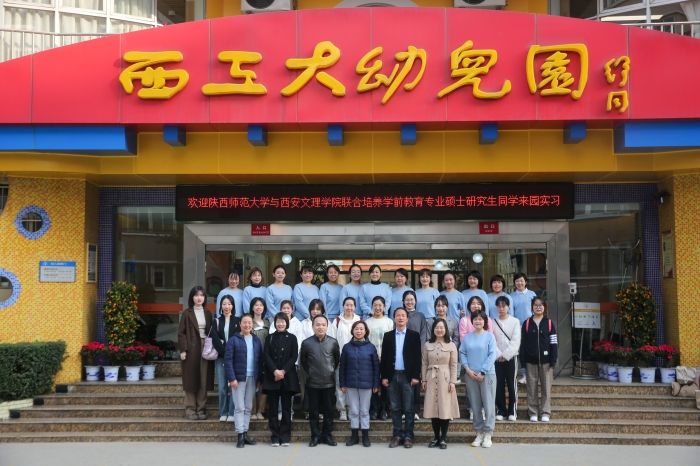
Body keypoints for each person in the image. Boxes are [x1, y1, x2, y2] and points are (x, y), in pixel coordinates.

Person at [380, 307, 422, 449]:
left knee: (409, 408)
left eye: (403, 315)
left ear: (407, 319)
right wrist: (384, 376)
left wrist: (416, 376)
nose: (400, 318)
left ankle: (408, 436)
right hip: (392, 376)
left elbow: (417, 357)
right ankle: (397, 435)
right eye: (398, 315)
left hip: (408, 377)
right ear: (394, 318)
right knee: (396, 408)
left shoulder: (414, 336)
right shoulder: (388, 336)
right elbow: (384, 357)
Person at [459, 309, 499, 449]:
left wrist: (482, 371)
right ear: (472, 321)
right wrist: (467, 369)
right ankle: (479, 433)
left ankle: (488, 433)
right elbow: (462, 353)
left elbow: (492, 355)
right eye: (475, 319)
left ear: (485, 321)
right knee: (475, 405)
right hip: (471, 375)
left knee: (488, 405)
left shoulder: (490, 337)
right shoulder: (467, 338)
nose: (478, 321)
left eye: (480, 319)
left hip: (487, 375)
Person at [300, 315, 341, 447]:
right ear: (313, 326)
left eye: (323, 324)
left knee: (329, 411)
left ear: (327, 327)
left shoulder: (333, 342)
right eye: (317, 324)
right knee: (314, 412)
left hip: (329, 383)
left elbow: (336, 360)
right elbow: (304, 362)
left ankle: (327, 436)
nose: (320, 327)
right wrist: (312, 373)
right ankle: (315, 436)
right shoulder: (306, 343)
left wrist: (330, 371)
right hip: (313, 383)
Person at [225, 314, 264, 448]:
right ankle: (240, 435)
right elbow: (228, 361)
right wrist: (232, 378)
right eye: (245, 322)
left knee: (248, 407)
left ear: (252, 324)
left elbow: (260, 360)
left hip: (253, 377)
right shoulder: (233, 340)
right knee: (239, 407)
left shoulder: (256, 340)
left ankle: (245, 433)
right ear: (240, 324)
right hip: (239, 378)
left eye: (249, 322)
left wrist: (259, 378)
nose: (247, 325)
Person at [263, 313, 301, 447]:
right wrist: (275, 371)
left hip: (287, 376)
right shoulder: (269, 338)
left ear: (287, 323)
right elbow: (266, 355)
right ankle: (275, 436)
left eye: (283, 321)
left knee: (286, 409)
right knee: (273, 409)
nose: (280, 324)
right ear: (275, 323)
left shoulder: (292, 338)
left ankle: (285, 436)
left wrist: (283, 371)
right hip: (272, 376)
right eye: (278, 321)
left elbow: (294, 356)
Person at [339, 321, 379, 447]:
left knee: (364, 411)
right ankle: (354, 437)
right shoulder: (346, 347)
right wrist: (342, 384)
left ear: (366, 331)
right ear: (352, 331)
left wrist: (375, 384)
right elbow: (342, 367)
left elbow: (376, 367)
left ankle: (365, 437)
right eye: (356, 329)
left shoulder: (371, 347)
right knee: (354, 411)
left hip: (367, 384)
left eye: (361, 329)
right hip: (351, 384)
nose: (359, 331)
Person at [422, 318, 460, 449]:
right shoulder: (427, 344)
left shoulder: (451, 345)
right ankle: (436, 437)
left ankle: (443, 438)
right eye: (437, 327)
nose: (439, 330)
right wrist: (424, 379)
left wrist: (452, 381)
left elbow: (454, 365)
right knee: (433, 408)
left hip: (445, 378)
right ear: (433, 329)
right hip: (431, 377)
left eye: (442, 328)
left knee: (444, 408)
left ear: (446, 330)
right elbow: (424, 363)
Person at [178, 286, 215, 420]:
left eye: (201, 295)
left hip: (206, 346)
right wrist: (183, 350)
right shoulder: (187, 313)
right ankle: (190, 409)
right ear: (192, 297)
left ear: (205, 298)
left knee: (203, 378)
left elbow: (212, 331)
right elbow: (181, 333)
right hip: (191, 347)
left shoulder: (208, 313)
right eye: (196, 295)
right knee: (191, 378)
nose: (199, 298)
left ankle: (201, 409)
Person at [521, 297, 558, 423]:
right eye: (535, 305)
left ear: (545, 307)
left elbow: (554, 342)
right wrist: (523, 361)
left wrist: (553, 360)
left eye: (541, 305)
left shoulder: (549, 323)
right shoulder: (527, 323)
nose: (538, 307)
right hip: (530, 361)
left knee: (546, 388)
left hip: (546, 361)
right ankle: (533, 412)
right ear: (532, 307)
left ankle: (545, 412)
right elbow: (523, 344)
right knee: (531, 388)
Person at [458, 296, 494, 421]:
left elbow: (490, 340)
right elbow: (463, 340)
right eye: (473, 303)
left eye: (478, 303)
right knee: (470, 388)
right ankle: (471, 409)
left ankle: (483, 410)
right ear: (469, 306)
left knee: (485, 391)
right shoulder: (464, 320)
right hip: (470, 358)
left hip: (484, 359)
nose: (476, 305)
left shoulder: (488, 319)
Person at [299, 299, 336, 417]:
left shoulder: (327, 323)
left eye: (318, 309)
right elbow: (302, 343)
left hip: (325, 363)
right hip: (309, 360)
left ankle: (321, 411)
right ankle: (307, 411)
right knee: (306, 387)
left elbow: (334, 352)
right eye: (313, 309)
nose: (315, 311)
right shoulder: (303, 323)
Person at [269, 300, 303, 421]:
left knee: (289, 388)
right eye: (284, 308)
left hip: (291, 362)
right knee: (277, 388)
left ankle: (289, 411)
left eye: (288, 308)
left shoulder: (297, 323)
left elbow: (298, 342)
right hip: (276, 362)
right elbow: (272, 340)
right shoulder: (275, 322)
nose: (286, 310)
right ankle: (279, 411)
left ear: (292, 310)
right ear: (280, 309)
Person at [211, 295, 240, 422]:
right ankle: (223, 412)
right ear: (221, 306)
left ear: (232, 306)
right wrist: (226, 353)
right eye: (224, 304)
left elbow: (239, 338)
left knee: (234, 386)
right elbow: (215, 340)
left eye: (229, 304)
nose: (226, 306)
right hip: (221, 357)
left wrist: (231, 353)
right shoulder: (216, 321)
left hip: (235, 358)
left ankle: (232, 412)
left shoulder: (238, 320)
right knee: (222, 387)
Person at [492, 296, 521, 422]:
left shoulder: (515, 321)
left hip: (511, 357)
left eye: (504, 306)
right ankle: (501, 410)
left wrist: (506, 355)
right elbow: (492, 340)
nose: (501, 308)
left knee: (511, 383)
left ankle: (512, 410)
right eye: (499, 306)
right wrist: (499, 355)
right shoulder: (492, 322)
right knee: (498, 384)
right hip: (497, 358)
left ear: (509, 307)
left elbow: (515, 341)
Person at [365, 296, 394, 421]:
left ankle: (384, 410)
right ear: (372, 306)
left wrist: (386, 355)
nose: (377, 308)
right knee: (373, 385)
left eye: (380, 305)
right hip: (371, 358)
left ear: (384, 307)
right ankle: (374, 409)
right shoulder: (367, 322)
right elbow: (365, 341)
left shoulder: (389, 322)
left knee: (386, 385)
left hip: (386, 359)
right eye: (375, 305)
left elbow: (392, 341)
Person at [333, 296, 362, 421]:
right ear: (343, 306)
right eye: (347, 305)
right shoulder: (337, 321)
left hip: (356, 359)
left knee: (352, 385)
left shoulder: (359, 320)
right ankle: (342, 410)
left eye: (351, 305)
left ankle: (351, 408)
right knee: (340, 384)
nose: (349, 307)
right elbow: (333, 340)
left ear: (355, 307)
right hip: (340, 358)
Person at [403, 290, 428, 418]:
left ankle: (415, 410)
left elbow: (423, 334)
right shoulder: (400, 314)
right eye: (407, 300)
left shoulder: (420, 316)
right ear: (403, 301)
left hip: (417, 353)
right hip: (402, 354)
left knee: (416, 382)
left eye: (411, 299)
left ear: (415, 301)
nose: (409, 302)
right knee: (403, 382)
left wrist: (420, 350)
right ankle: (404, 410)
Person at [510, 272, 537, 383]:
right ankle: (520, 374)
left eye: (521, 280)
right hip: (516, 327)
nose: (519, 283)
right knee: (518, 351)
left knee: (528, 351)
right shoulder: (511, 296)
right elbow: (511, 313)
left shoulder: (532, 294)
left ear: (525, 282)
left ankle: (529, 375)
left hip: (530, 326)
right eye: (517, 281)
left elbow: (535, 310)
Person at [251, 297, 270, 420]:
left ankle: (260, 410)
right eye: (256, 305)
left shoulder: (268, 323)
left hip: (266, 357)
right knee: (252, 383)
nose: (258, 307)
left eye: (261, 305)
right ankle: (252, 410)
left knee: (263, 383)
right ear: (252, 307)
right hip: (252, 357)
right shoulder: (249, 322)